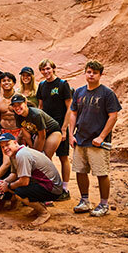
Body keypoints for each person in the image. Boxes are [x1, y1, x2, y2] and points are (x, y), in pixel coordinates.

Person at [69, 60, 121, 217]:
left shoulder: (107, 93)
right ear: (85, 73)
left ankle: (104, 204)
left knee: (101, 172)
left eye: (95, 73)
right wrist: (71, 134)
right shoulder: (79, 92)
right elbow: (73, 113)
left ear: (100, 75)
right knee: (80, 170)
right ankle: (85, 201)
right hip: (80, 138)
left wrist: (102, 136)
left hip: (97, 141)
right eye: (89, 72)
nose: (91, 75)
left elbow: (113, 116)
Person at [0, 133, 63, 226]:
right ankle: (37, 208)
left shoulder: (22, 154)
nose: (5, 148)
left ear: (15, 143)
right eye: (2, 147)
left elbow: (24, 181)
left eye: (7, 144)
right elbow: (15, 174)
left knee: (19, 192)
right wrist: (5, 182)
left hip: (53, 188)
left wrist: (8, 186)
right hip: (46, 184)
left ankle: (43, 213)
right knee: (15, 187)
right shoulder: (14, 154)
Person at [37, 59, 72, 200]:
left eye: (48, 69)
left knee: (63, 157)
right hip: (47, 126)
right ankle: (49, 187)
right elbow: (40, 107)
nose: (46, 72)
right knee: (46, 157)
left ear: (53, 68)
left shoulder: (62, 84)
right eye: (43, 70)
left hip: (60, 124)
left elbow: (70, 107)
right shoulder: (42, 85)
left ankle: (65, 189)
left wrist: (64, 129)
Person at [10, 94, 62, 158]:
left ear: (25, 103)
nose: (17, 108)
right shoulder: (17, 116)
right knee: (35, 157)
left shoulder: (36, 115)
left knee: (45, 158)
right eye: (14, 106)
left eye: (19, 104)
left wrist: (37, 154)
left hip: (52, 131)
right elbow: (26, 135)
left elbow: (42, 136)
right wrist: (32, 150)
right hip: (38, 133)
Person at [0, 72, 19, 137]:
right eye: (3, 81)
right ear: (0, 84)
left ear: (13, 83)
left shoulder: (20, 99)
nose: (6, 83)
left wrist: (22, 133)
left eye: (9, 80)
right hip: (4, 132)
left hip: (18, 131)